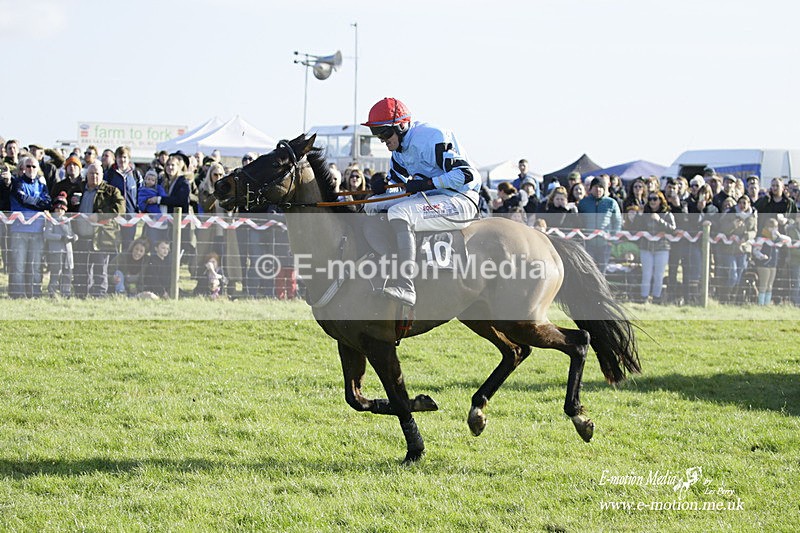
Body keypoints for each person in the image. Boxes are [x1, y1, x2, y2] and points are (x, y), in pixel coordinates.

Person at [361, 97, 481, 306]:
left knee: (399, 213)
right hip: (432, 199)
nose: (382, 140)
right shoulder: (398, 154)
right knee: (371, 204)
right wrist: (382, 185)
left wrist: (429, 183)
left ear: (401, 126)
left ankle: (406, 285)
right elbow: (397, 186)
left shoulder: (432, 137)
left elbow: (467, 175)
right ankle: (384, 263)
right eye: (377, 134)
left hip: (461, 199)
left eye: (385, 133)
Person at [72, 161, 125, 298]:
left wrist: (100, 215)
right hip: (80, 237)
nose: (94, 176)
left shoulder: (111, 191)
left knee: (100, 269)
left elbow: (120, 208)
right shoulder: (79, 188)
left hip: (101, 237)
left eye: (97, 174)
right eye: (91, 173)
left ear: (102, 175)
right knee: (82, 269)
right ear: (86, 175)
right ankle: (82, 295)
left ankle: (99, 296)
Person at [8, 155, 51, 298]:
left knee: (35, 264)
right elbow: (22, 199)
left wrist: (36, 203)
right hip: (19, 230)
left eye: (34, 166)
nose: (31, 169)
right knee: (18, 264)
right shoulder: (17, 183)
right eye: (28, 166)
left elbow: (48, 203)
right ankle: (17, 294)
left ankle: (35, 292)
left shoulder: (42, 185)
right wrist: (39, 203)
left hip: (38, 231)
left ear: (37, 168)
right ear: (23, 168)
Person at [630, 191, 676, 304]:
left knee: (659, 274)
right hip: (646, 248)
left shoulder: (667, 214)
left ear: (660, 200)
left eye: (655, 199)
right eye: (650, 199)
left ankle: (657, 297)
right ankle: (644, 297)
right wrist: (639, 215)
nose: (652, 201)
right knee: (646, 273)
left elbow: (673, 229)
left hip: (662, 248)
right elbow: (636, 227)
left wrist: (659, 220)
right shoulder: (645, 214)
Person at [717, 195, 757, 303]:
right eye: (740, 203)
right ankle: (724, 297)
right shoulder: (730, 213)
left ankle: (733, 299)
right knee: (733, 275)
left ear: (749, 204)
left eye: (744, 203)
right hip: (730, 249)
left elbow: (754, 231)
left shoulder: (753, 215)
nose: (742, 205)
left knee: (739, 276)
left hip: (744, 249)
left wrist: (746, 236)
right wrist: (733, 225)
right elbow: (723, 229)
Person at [578, 177, 622, 275]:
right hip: (588, 244)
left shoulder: (611, 203)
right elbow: (578, 222)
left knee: (602, 272)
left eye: (601, 187)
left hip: (605, 244)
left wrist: (612, 239)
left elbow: (617, 222)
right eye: (595, 187)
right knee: (588, 271)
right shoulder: (583, 203)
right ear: (590, 189)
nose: (598, 189)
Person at [105, 145, 143, 253]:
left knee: (128, 246)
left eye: (124, 157)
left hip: (131, 216)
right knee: (113, 246)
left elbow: (140, 193)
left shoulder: (135, 174)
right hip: (114, 216)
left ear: (129, 158)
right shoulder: (109, 174)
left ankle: (126, 263)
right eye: (119, 157)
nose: (122, 160)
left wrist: (138, 209)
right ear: (115, 159)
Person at [44, 194, 78, 297]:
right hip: (56, 250)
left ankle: (66, 292)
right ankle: (52, 291)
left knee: (67, 272)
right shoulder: (51, 220)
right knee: (56, 272)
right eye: (57, 208)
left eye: (62, 209)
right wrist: (60, 237)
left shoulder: (67, 220)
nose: (59, 210)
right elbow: (47, 234)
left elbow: (71, 232)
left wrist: (74, 237)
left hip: (68, 250)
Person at [752, 217, 790, 305]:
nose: (774, 229)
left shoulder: (777, 239)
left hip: (773, 264)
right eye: (771, 227)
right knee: (764, 284)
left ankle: (767, 303)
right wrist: (761, 256)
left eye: (776, 227)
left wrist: (778, 235)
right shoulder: (762, 238)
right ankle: (761, 303)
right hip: (764, 264)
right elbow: (755, 250)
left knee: (770, 285)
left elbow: (788, 240)